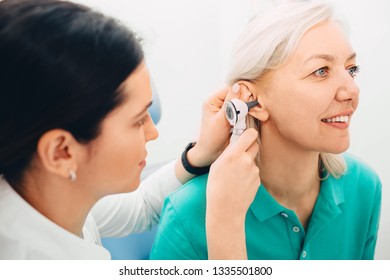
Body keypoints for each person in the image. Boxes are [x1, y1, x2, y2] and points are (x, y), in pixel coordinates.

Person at [0, 0, 260, 259]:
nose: (152, 132)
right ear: (62, 151)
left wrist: (198, 154)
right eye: (137, 121)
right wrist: (225, 220)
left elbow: (141, 207)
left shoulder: (48, 195)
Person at [150, 0, 382, 260]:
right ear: (253, 99)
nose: (352, 90)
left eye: (351, 69)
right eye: (320, 71)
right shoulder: (189, 215)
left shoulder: (364, 187)